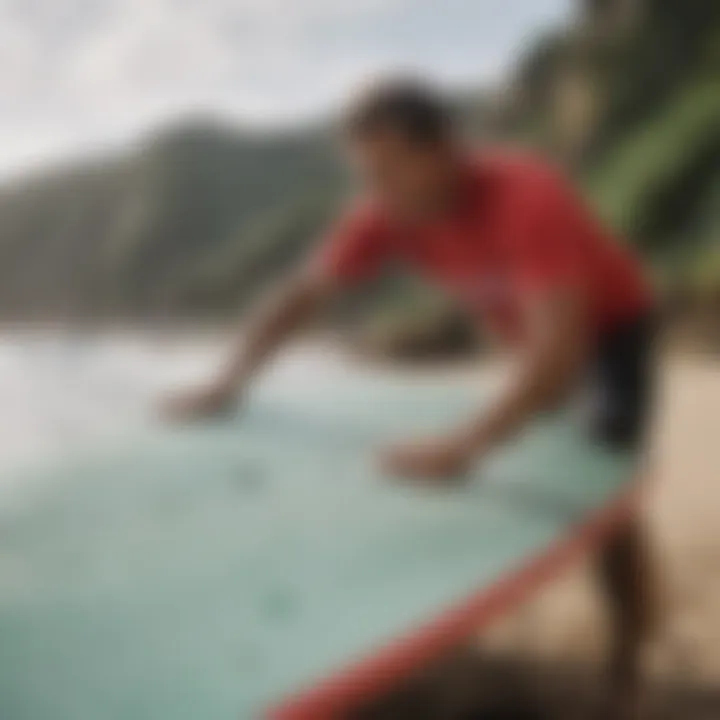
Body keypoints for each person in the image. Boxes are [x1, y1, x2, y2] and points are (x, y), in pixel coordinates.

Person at [164, 78, 657, 717]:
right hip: (524, 329)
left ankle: (627, 667)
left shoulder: (525, 194)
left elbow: (561, 354)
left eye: (390, 169)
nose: (377, 190)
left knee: (602, 490)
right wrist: (226, 384)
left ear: (448, 150)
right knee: (509, 442)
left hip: (608, 327)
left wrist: (464, 446)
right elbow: (300, 298)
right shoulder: (382, 216)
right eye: (365, 173)